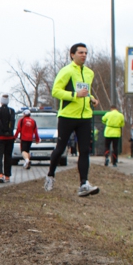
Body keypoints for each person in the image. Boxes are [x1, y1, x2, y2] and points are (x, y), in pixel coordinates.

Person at [44, 43, 100, 196]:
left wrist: (92, 99)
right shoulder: (66, 71)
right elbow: (56, 91)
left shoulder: (89, 73)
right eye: (80, 52)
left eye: (86, 53)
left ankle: (84, 184)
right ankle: (50, 176)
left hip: (85, 117)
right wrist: (75, 96)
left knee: (84, 150)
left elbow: (85, 91)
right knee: (60, 148)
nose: (84, 55)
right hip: (67, 116)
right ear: (72, 55)